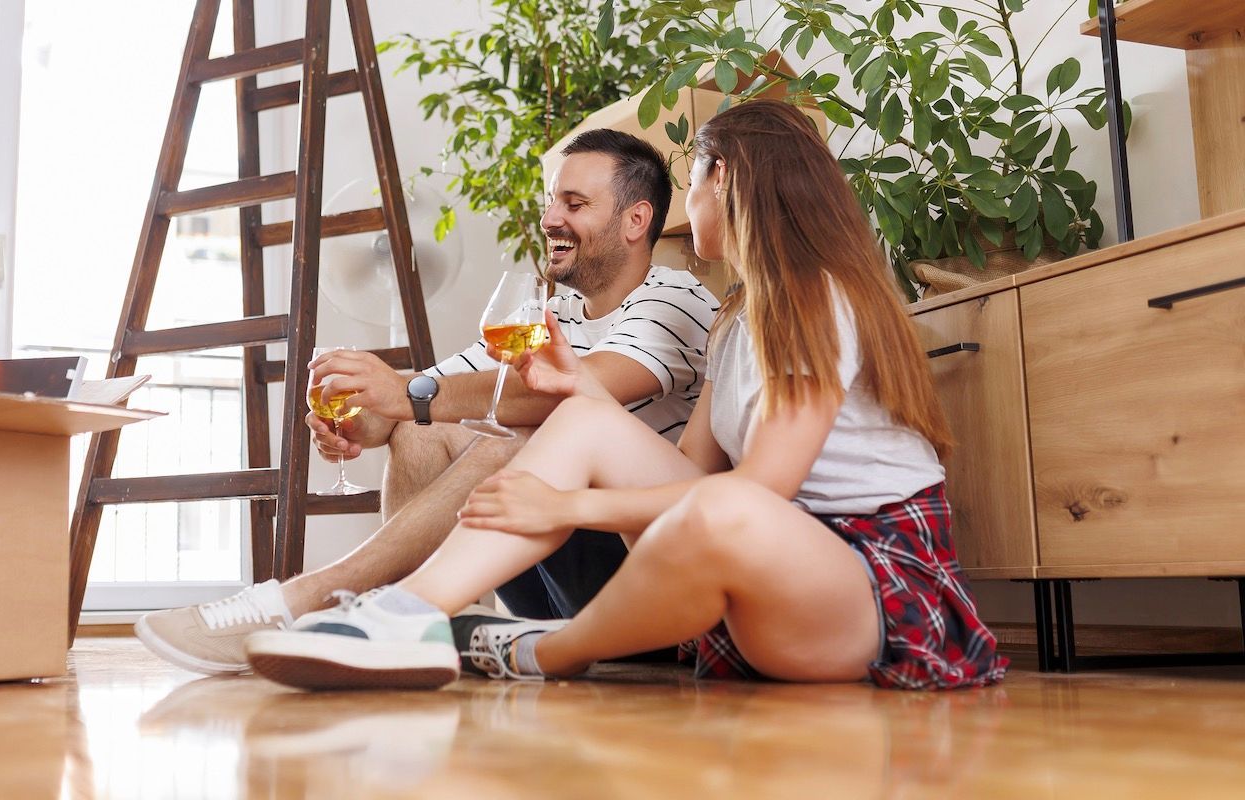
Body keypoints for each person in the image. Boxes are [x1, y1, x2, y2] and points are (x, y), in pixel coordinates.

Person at [242, 99, 1008, 692]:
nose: (685, 206)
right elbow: (689, 470)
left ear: (727, 180)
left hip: (869, 585)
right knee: (585, 420)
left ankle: (547, 650)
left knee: (729, 505)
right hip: (765, 572)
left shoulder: (815, 298)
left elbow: (755, 493)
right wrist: (586, 400)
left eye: (695, 180)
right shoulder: (738, 317)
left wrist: (569, 508)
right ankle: (405, 614)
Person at [136, 129, 720, 675]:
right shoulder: (552, 312)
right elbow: (430, 394)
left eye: (574, 204)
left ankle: (315, 597)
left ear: (635, 220)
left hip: (638, 572)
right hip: (554, 564)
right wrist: (367, 417)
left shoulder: (677, 298)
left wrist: (407, 394)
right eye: (551, 202)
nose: (550, 219)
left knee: (515, 441)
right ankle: (412, 632)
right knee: (421, 431)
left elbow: (572, 392)